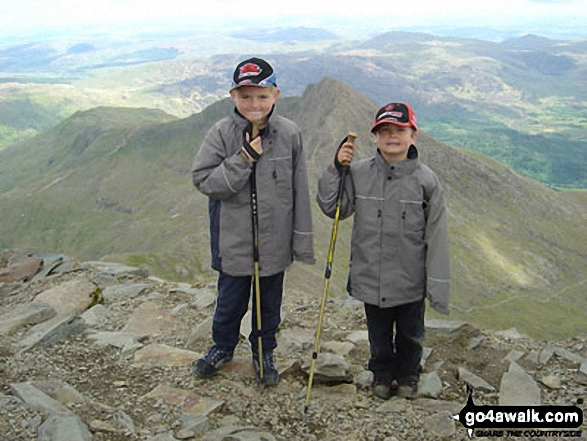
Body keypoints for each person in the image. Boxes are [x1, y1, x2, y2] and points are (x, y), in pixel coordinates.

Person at [191, 57, 315, 386]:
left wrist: (301, 241)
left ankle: (264, 350)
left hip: (274, 242)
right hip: (232, 241)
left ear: (275, 94)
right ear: (233, 97)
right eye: (245, 96)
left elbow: (299, 188)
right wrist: (243, 159)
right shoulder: (221, 133)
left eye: (261, 95)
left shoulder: (290, 134)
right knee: (230, 300)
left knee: (268, 303)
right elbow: (204, 181)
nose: (254, 103)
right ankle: (222, 347)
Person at [316, 102, 450, 399]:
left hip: (410, 278)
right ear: (375, 137)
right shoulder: (359, 172)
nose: (392, 136)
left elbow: (437, 234)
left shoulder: (427, 181)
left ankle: (408, 374)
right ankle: (381, 372)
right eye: (384, 131)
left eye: (399, 130)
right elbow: (333, 207)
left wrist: (438, 284)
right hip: (370, 275)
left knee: (410, 333)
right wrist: (336, 169)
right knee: (378, 332)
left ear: (413, 135)